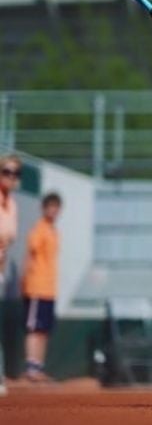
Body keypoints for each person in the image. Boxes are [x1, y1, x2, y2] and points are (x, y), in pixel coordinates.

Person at [21, 192, 62, 382]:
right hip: (36, 287)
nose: (53, 210)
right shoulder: (39, 229)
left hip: (49, 289)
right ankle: (31, 368)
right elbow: (30, 256)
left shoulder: (54, 231)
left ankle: (39, 367)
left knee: (44, 331)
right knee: (34, 330)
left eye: (56, 207)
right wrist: (26, 281)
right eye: (50, 206)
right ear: (44, 208)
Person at [0, 154, 22, 396]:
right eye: (6, 171)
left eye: (15, 173)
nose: (11, 177)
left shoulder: (12, 205)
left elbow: (8, 239)